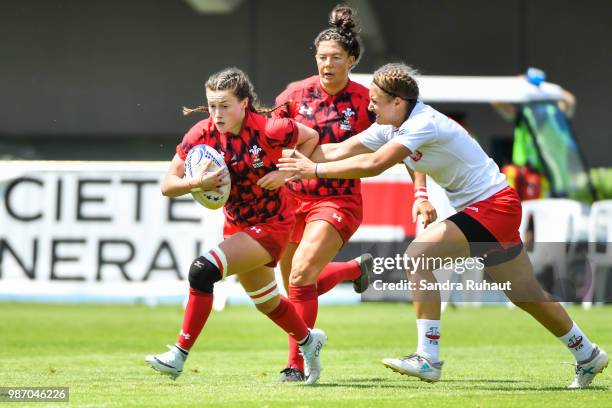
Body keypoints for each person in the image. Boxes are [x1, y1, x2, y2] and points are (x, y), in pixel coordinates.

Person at [278, 62, 609, 388]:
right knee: (526, 295)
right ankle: (588, 354)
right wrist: (290, 159)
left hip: (494, 206)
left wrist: (313, 172)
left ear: (397, 102)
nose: (370, 106)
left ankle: (428, 358)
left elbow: (375, 164)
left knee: (418, 257)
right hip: (492, 207)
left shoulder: (423, 122)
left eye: (375, 101)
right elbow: (338, 149)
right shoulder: (391, 124)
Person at [145, 67, 328, 385]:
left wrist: (288, 173)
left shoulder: (272, 128)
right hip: (237, 225)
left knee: (202, 271)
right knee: (267, 302)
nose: (216, 114)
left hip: (273, 223)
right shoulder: (201, 134)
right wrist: (197, 181)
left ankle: (179, 354)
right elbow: (167, 185)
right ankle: (309, 341)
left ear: (244, 103)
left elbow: (312, 138)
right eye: (212, 106)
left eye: (224, 105)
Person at [265, 4, 378, 382]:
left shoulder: (368, 101)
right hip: (290, 200)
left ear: (352, 60)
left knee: (299, 275)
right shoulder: (295, 94)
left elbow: (406, 142)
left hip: (338, 200)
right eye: (321, 57)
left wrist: (420, 193)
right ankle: (350, 270)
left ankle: (296, 366)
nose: (327, 64)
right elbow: (265, 136)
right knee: (296, 282)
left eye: (335, 58)